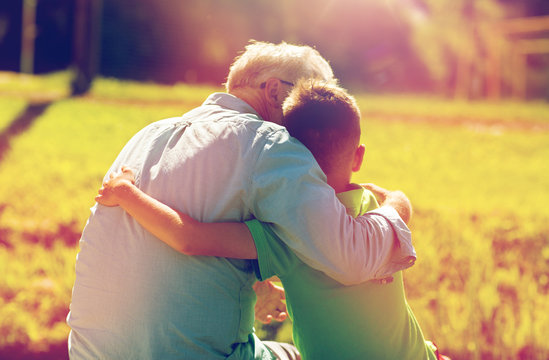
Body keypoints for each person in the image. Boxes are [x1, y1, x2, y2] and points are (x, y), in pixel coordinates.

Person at [67, 41, 416, 359]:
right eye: (305, 99)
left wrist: (258, 281)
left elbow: (189, 231)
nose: (307, 120)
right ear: (274, 89)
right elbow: (351, 256)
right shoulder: (271, 144)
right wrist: (397, 206)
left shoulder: (147, 135)